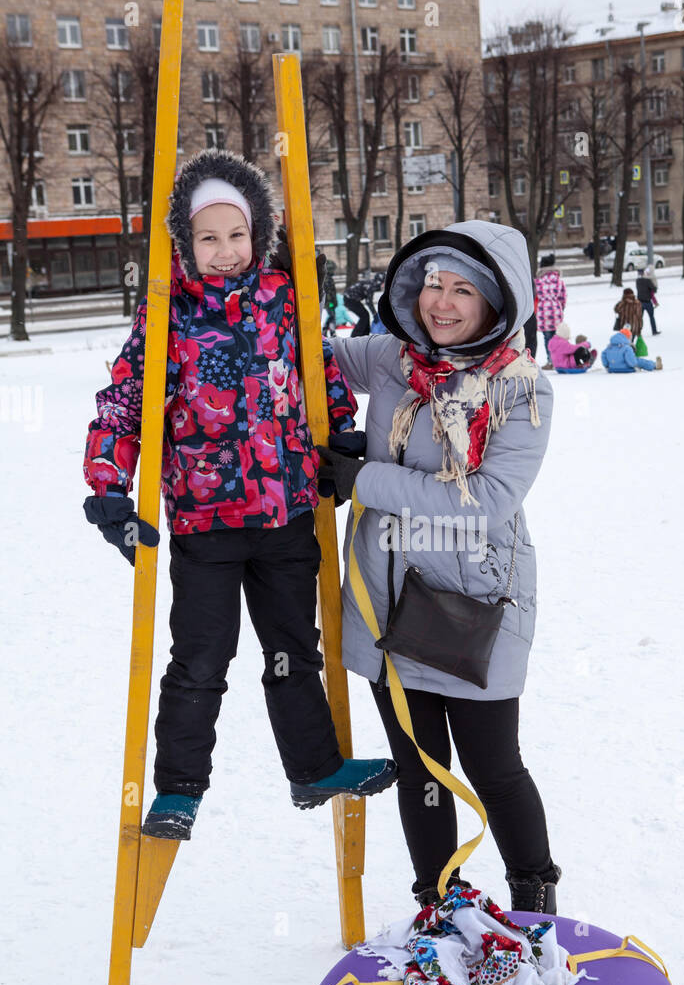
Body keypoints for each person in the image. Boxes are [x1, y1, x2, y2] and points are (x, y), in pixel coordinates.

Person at [82, 149, 397, 840]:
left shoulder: (286, 300)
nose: (224, 252)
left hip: (286, 517)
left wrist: (341, 436)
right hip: (206, 525)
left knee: (294, 651)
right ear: (185, 244)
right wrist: (108, 486)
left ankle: (312, 767)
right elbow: (124, 404)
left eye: (236, 236)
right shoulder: (167, 316)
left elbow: (319, 377)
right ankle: (178, 790)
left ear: (257, 235)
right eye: (207, 238)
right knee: (201, 659)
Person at [316, 222, 562, 913]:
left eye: (463, 290)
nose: (442, 303)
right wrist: (270, 288)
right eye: (433, 285)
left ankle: (533, 894)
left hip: (473, 605)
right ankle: (439, 900)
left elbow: (483, 500)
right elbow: (315, 356)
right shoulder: (396, 357)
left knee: (493, 766)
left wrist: (364, 478)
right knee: (419, 770)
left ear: (496, 302)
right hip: (386, 604)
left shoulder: (521, 392)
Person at [534, 252, 568, 367]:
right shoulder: (558, 280)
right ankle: (560, 359)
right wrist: (560, 308)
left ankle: (550, 360)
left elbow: (535, 297)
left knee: (547, 338)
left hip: (543, 312)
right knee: (558, 337)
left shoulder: (538, 281)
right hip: (556, 310)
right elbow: (563, 297)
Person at [635, 265, 660, 335]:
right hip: (648, 302)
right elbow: (654, 290)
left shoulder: (637, 281)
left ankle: (638, 331)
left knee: (640, 318)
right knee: (651, 317)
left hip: (640, 302)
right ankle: (654, 331)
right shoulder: (648, 281)